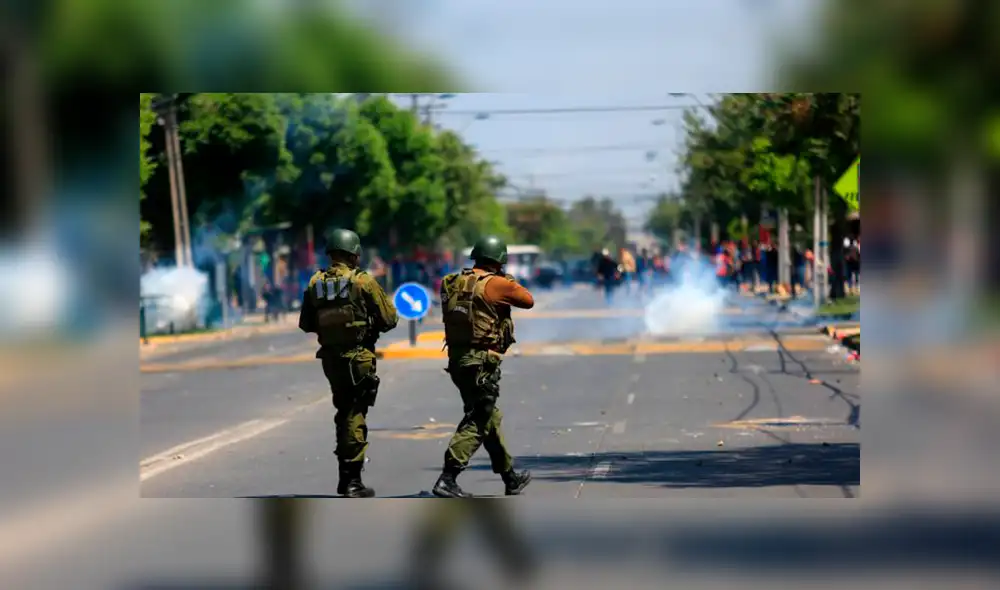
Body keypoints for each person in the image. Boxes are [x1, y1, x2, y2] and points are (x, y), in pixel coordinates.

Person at [298, 228, 398, 497]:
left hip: (330, 358)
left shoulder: (315, 282)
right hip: (358, 356)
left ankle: (346, 477)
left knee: (343, 412)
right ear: (354, 254)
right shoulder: (362, 281)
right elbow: (389, 319)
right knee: (354, 413)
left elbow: (306, 323)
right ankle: (352, 481)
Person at [432, 235, 534, 498]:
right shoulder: (497, 283)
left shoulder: (452, 281)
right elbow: (527, 300)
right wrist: (507, 279)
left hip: (458, 359)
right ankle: (447, 478)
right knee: (479, 419)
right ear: (499, 260)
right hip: (481, 363)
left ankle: (510, 478)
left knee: (489, 417)